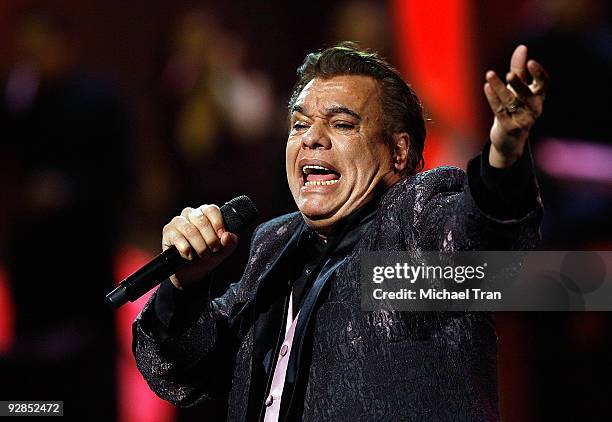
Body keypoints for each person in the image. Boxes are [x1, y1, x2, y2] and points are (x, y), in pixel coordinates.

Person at [133, 42, 548, 421]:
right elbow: (181, 374)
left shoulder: (413, 219)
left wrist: (504, 155)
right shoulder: (273, 245)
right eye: (299, 125)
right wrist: (184, 287)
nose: (312, 139)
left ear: (398, 152)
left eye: (342, 124)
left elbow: (483, 245)